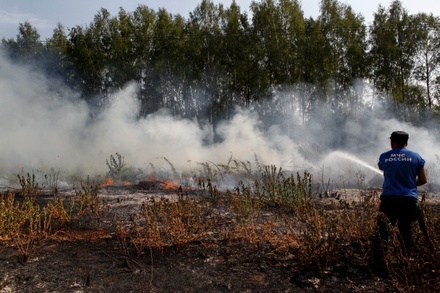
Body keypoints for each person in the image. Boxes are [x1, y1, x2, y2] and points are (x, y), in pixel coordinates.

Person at [371, 131, 428, 274]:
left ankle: (378, 264)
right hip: (409, 199)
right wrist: (408, 184)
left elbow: (384, 168)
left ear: (392, 142)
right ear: (407, 143)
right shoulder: (416, 157)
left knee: (383, 230)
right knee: (405, 231)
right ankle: (404, 263)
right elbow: (423, 180)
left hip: (389, 198)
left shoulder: (385, 156)